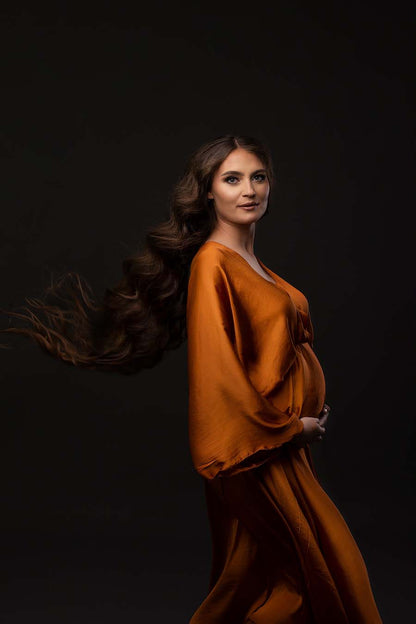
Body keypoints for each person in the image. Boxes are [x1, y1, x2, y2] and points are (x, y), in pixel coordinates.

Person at [1, 135, 383, 623]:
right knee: (308, 577)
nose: (249, 190)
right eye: (232, 179)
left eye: (258, 177)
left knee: (263, 580)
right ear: (208, 193)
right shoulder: (212, 265)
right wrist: (290, 428)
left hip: (284, 451)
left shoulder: (254, 265)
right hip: (255, 451)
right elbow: (218, 374)